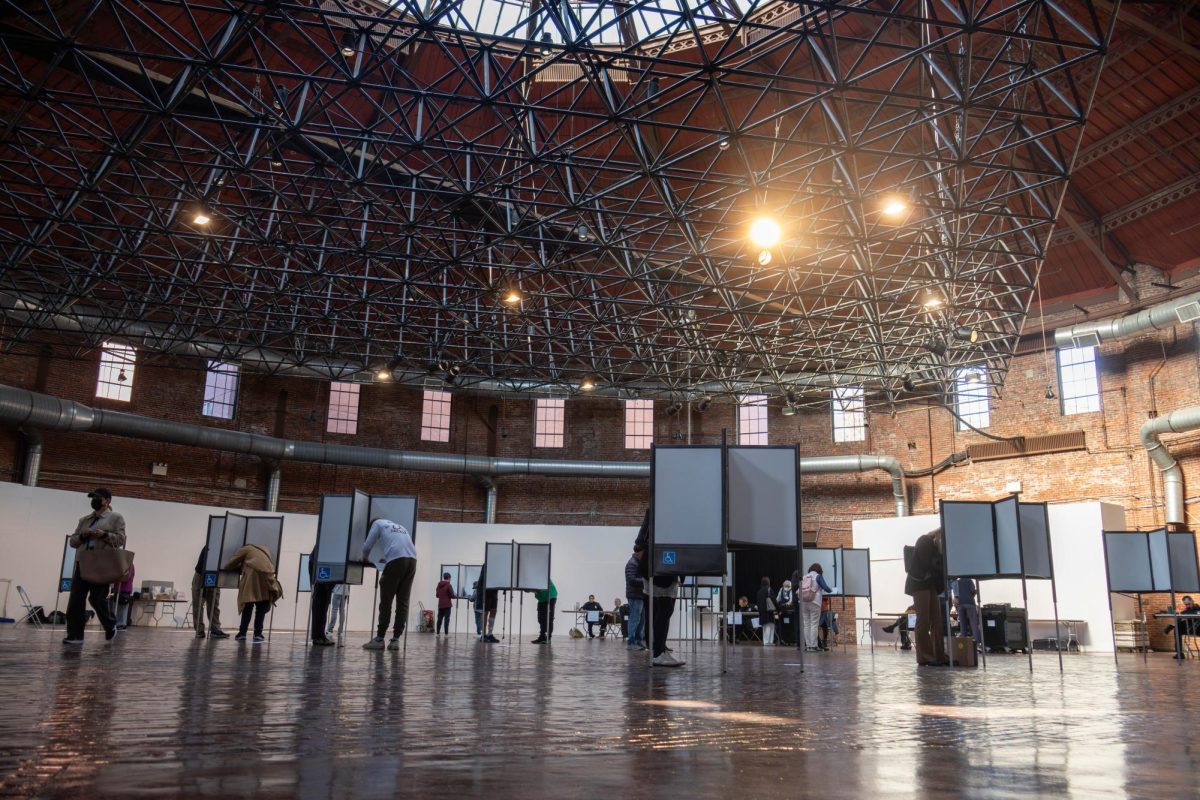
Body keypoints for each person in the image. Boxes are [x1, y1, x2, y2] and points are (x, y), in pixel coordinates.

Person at [64, 488, 126, 646]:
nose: (94, 500)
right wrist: (83, 535)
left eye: (97, 498)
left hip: (101, 564)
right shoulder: (84, 519)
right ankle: (75, 635)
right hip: (83, 562)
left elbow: (120, 540)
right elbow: (73, 542)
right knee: (76, 600)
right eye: (93, 497)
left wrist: (104, 535)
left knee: (97, 598)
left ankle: (110, 623)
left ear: (107, 500)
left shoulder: (115, 518)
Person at [361, 517, 418, 651]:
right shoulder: (400, 526)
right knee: (403, 601)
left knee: (386, 600)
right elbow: (400, 547)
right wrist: (388, 559)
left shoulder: (377, 524)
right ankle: (395, 640)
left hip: (397, 561)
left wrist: (364, 559)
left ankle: (379, 639)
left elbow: (367, 546)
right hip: (412, 561)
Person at [222, 543, 282, 643]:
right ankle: (258, 634)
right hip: (267, 577)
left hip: (252, 578)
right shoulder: (265, 548)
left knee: (248, 604)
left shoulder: (245, 549)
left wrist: (227, 567)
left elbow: (230, 563)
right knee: (261, 606)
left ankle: (242, 633)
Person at [904, 528, 947, 666]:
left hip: (928, 584)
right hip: (919, 583)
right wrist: (940, 556)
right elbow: (925, 563)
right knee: (923, 620)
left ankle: (939, 654)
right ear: (938, 536)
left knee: (937, 620)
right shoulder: (924, 541)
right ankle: (925, 655)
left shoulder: (933, 545)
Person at [191, 544, 228, 639]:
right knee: (198, 604)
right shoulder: (211, 544)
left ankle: (215, 629)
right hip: (201, 574)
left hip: (214, 575)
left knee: (214, 604)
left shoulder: (225, 546)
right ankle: (199, 630)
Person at [799, 562, 833, 652]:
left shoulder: (804, 576)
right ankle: (813, 646)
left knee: (806, 624)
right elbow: (825, 587)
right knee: (814, 624)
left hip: (804, 602)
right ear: (819, 570)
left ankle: (808, 645)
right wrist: (831, 589)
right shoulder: (818, 576)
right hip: (814, 602)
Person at [308, 547, 335, 647]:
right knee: (320, 601)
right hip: (318, 564)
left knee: (324, 601)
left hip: (323, 563)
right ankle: (317, 636)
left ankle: (320, 635)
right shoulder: (332, 537)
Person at [625, 543, 647, 651]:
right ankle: (631, 642)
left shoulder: (639, 563)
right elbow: (631, 579)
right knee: (634, 619)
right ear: (638, 552)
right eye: (644, 552)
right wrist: (645, 581)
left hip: (641, 595)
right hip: (634, 596)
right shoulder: (632, 563)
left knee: (641, 620)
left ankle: (638, 641)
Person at [952, 577, 980, 649]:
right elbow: (973, 591)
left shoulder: (956, 582)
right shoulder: (969, 580)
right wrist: (974, 593)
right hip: (969, 603)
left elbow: (955, 596)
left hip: (960, 604)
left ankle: (963, 644)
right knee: (974, 624)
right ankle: (977, 643)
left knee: (962, 624)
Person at [474, 567, 500, 643]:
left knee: (494, 610)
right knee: (485, 612)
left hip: (494, 589)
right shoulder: (487, 564)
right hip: (485, 590)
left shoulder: (499, 564)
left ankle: (490, 634)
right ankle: (484, 634)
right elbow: (483, 579)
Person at [111, 560, 135, 630]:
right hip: (123, 589)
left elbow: (126, 577)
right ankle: (121, 623)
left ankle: (121, 623)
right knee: (122, 608)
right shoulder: (130, 565)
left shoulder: (129, 565)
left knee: (121, 607)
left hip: (124, 589)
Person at [755, 577, 776, 645]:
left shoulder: (759, 591)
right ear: (768, 582)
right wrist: (778, 609)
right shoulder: (769, 590)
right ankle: (769, 642)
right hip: (769, 611)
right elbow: (774, 600)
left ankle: (765, 641)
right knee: (770, 626)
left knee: (764, 626)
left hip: (761, 611)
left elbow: (758, 602)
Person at [775, 580, 796, 645]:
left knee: (790, 626)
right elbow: (778, 599)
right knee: (782, 626)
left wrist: (788, 603)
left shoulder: (791, 590)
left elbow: (791, 600)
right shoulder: (781, 590)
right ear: (783, 586)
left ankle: (791, 640)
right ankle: (782, 639)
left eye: (788, 586)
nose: (787, 587)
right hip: (782, 611)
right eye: (786, 586)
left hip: (790, 611)